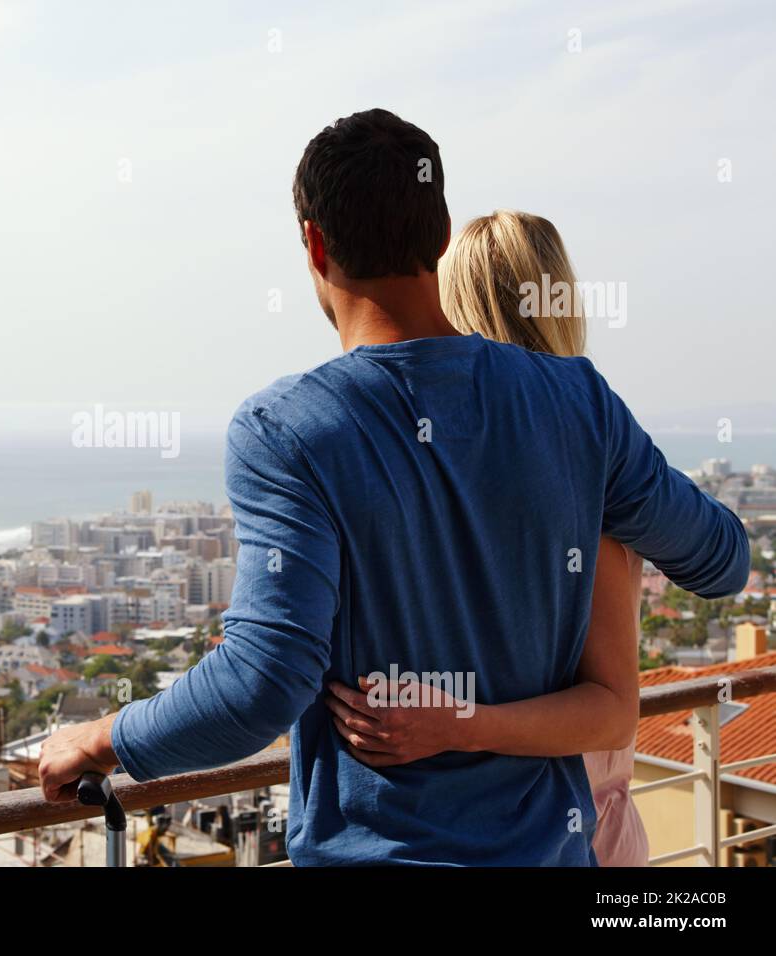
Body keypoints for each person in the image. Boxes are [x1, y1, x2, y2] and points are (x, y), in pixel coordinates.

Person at [38, 108, 748, 865]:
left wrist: (101, 736)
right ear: (441, 236)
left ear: (314, 243)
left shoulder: (288, 428)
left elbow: (261, 684)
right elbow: (720, 561)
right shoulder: (576, 401)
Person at [322, 210, 649, 866]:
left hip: (570, 831)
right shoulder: (571, 449)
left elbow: (613, 710)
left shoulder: (580, 463)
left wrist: (458, 723)